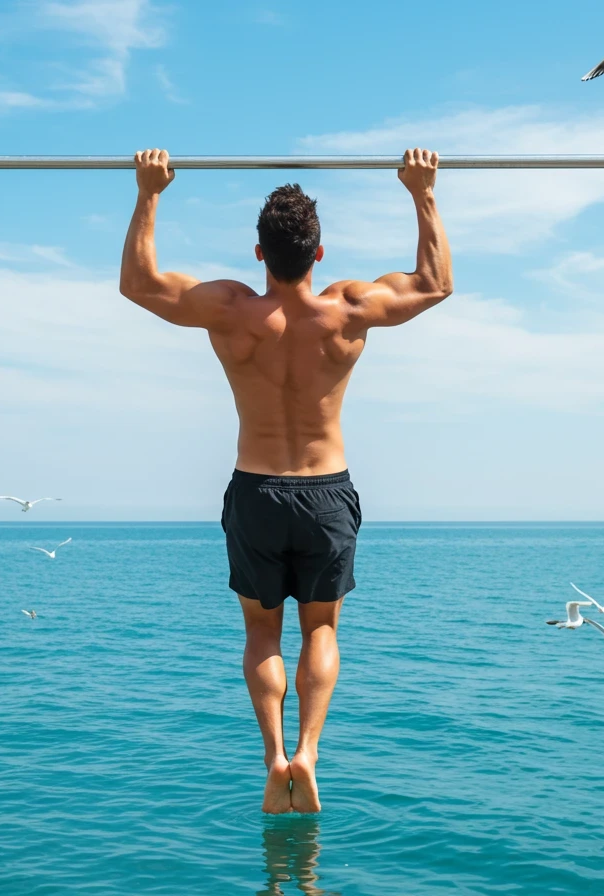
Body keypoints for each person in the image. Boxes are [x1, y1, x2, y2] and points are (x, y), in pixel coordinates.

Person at [119, 147, 453, 813]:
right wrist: (423, 191)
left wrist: (150, 192)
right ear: (320, 254)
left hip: (257, 489)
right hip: (327, 489)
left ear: (259, 255)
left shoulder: (232, 312)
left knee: (262, 634)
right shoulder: (348, 310)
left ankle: (273, 756)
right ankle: (308, 751)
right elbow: (433, 283)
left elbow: (140, 283)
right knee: (321, 630)